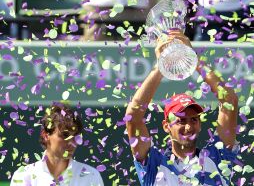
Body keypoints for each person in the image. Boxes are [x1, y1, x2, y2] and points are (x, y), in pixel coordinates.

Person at [125, 30, 239, 185]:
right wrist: (161, 66)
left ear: (199, 124)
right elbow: (133, 116)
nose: (188, 126)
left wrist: (193, 58)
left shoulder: (217, 157)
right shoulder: (154, 164)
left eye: (193, 119)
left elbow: (230, 101)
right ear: (166, 126)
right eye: (180, 120)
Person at [10, 102, 104, 186]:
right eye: (64, 135)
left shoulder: (91, 176)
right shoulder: (22, 176)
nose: (72, 143)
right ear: (46, 136)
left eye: (75, 136)